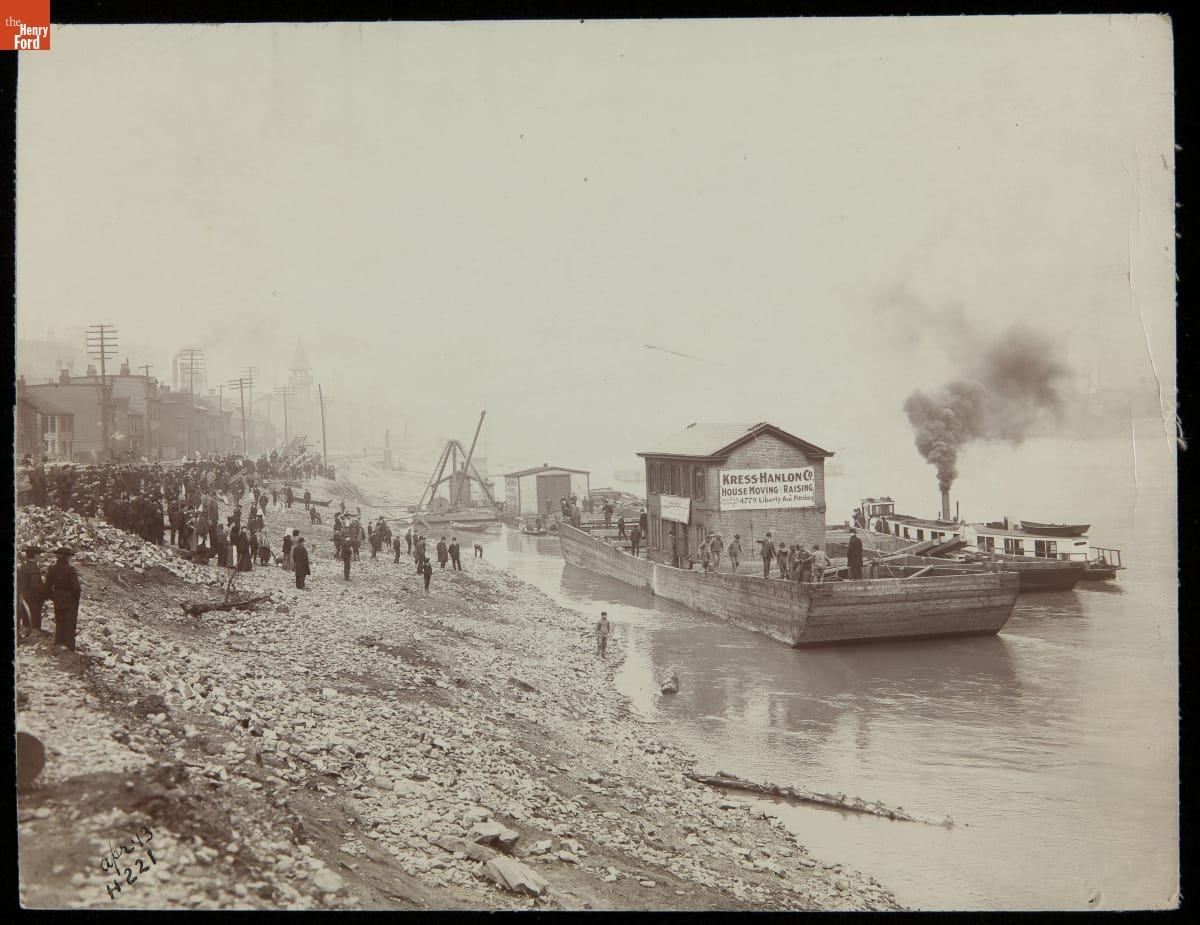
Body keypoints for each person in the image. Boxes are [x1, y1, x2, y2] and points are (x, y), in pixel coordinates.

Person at [45, 546, 82, 651]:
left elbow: (47, 586)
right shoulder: (70, 570)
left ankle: (58, 644)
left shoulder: (52, 569)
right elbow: (77, 588)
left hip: (58, 598)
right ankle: (69, 648)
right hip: (69, 599)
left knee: (59, 621)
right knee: (70, 623)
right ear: (67, 557)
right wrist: (75, 600)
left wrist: (53, 596)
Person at [17, 547, 45, 638]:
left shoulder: (23, 567)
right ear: (35, 555)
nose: (40, 556)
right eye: (39, 554)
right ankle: (34, 634)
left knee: (26, 617)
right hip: (34, 598)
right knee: (35, 618)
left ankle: (26, 632)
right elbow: (35, 586)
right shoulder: (34, 568)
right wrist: (42, 594)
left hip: (24, 596)